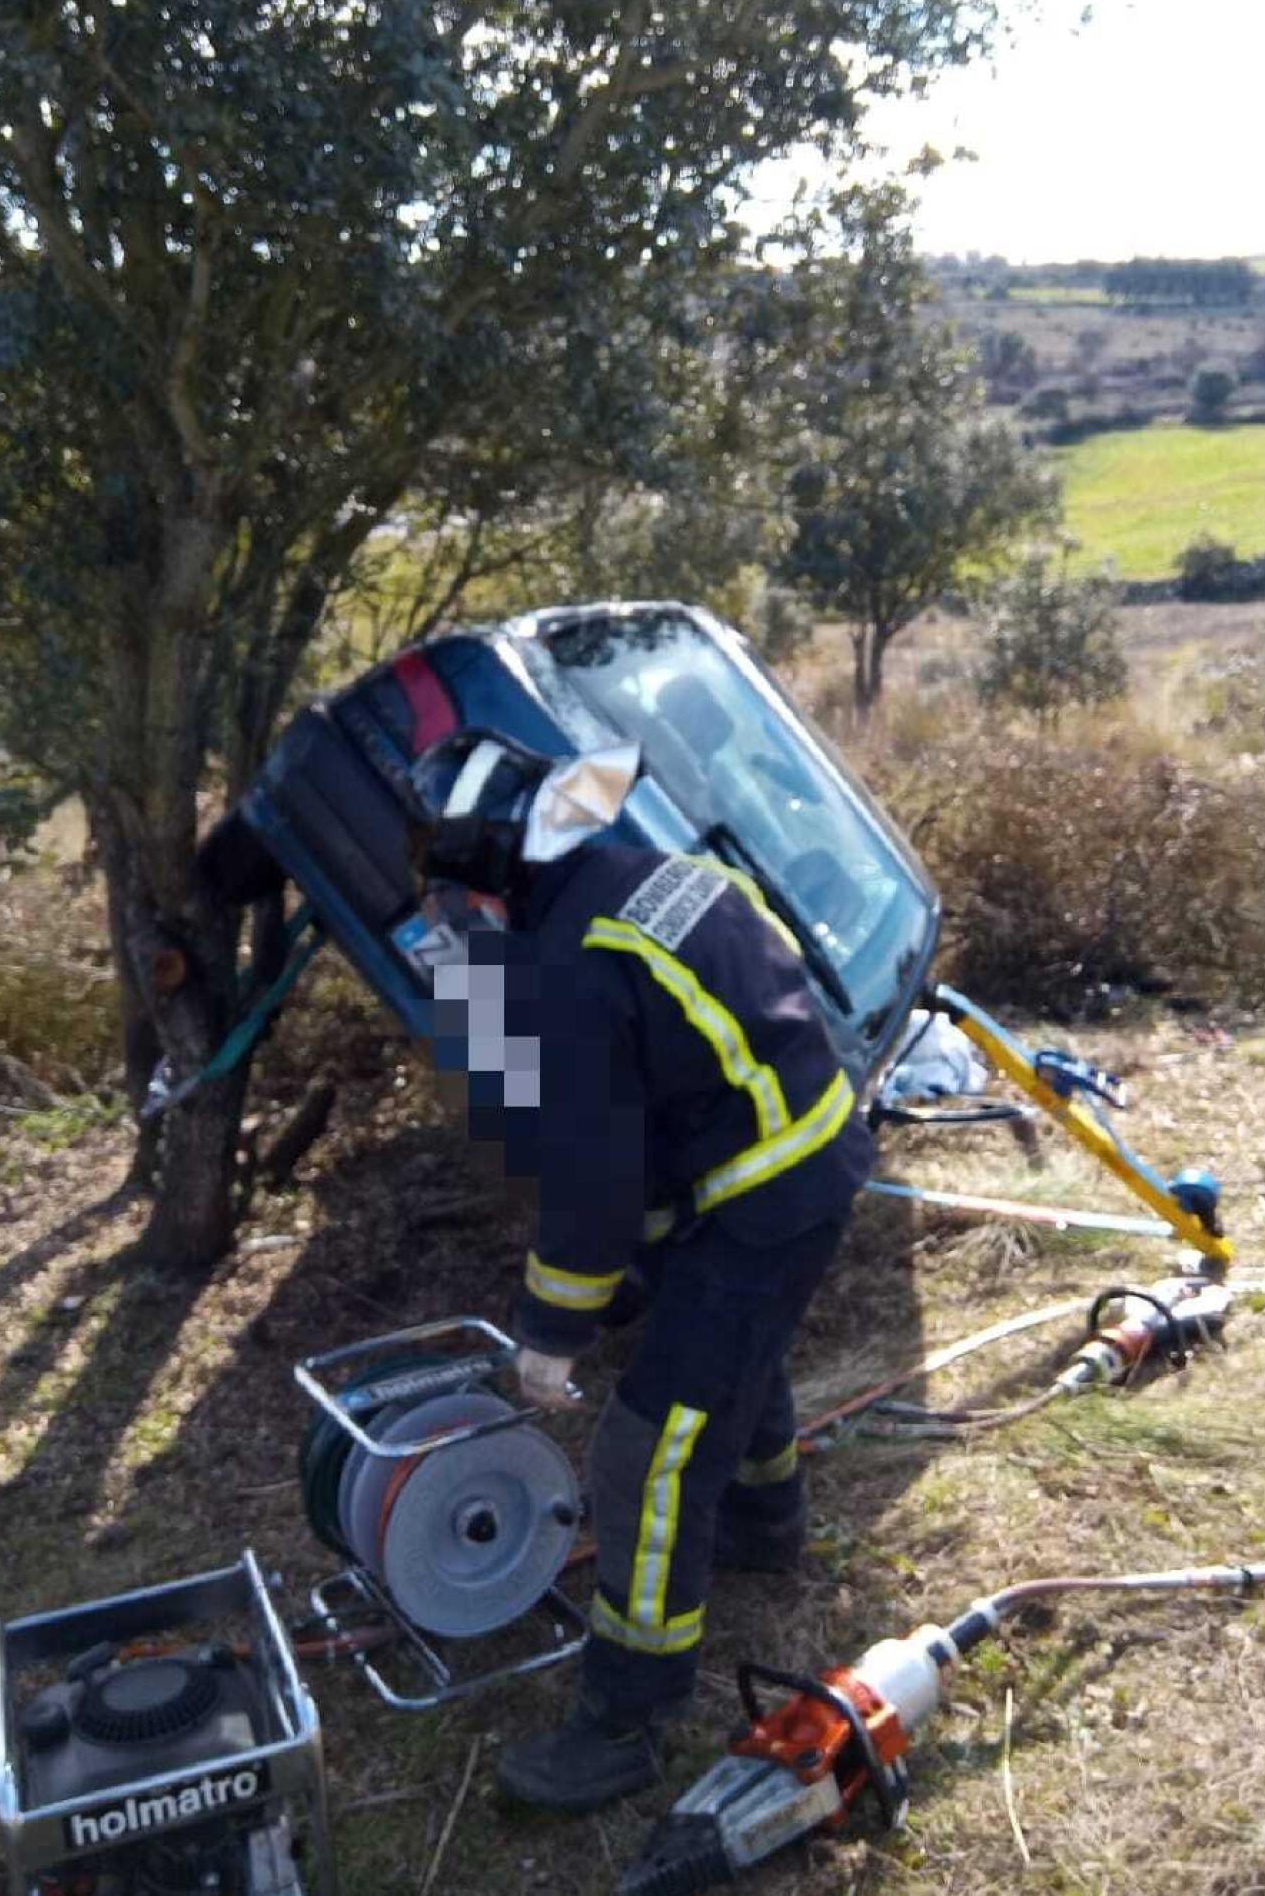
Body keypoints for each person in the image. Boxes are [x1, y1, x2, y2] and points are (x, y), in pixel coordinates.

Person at [407, 729, 875, 1814]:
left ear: (493, 870)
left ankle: (626, 1712)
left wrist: (548, 1331)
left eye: (453, 887)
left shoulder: (567, 970)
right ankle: (764, 1527)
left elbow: (591, 1183)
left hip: (770, 1192)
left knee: (648, 1448)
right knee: (725, 1352)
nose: (451, 911)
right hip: (799, 1140)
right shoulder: (641, 873)